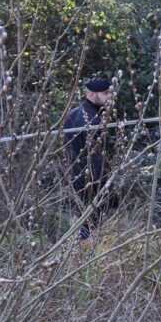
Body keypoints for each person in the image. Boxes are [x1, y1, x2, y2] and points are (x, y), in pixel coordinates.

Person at [64, 76, 115, 239]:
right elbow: (96, 159)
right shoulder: (92, 119)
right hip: (90, 182)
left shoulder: (74, 113)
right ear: (92, 94)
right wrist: (107, 188)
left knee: (82, 229)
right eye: (106, 93)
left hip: (75, 179)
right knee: (90, 232)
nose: (110, 96)